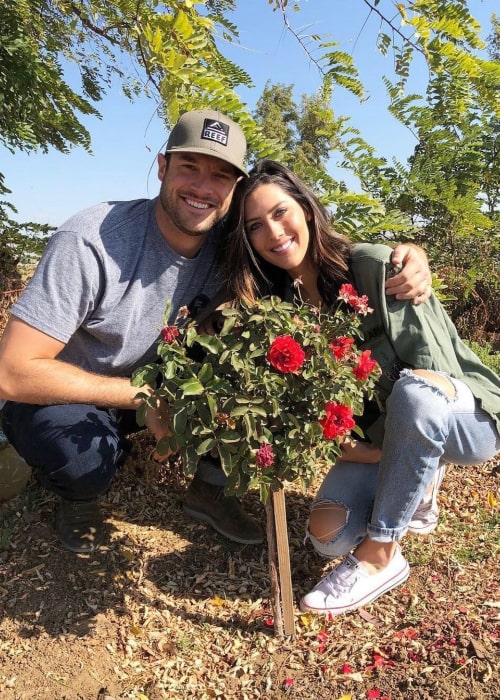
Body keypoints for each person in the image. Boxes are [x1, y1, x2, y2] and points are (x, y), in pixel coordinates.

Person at [0, 111, 431, 555]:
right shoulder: (92, 241)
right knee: (86, 461)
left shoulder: (231, 242)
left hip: (154, 385)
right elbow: (14, 372)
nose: (204, 188)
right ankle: (77, 493)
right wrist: (145, 399)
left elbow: (309, 248)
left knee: (252, 356)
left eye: (222, 176)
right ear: (163, 168)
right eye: (190, 167)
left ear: (234, 190)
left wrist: (403, 258)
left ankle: (210, 490)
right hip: (59, 388)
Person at [222, 159, 500, 616]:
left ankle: (382, 553)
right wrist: (351, 449)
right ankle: (412, 483)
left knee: (414, 393)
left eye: (280, 212)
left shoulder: (374, 267)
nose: (272, 232)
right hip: (385, 439)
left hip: (464, 418)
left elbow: (436, 373)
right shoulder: (280, 310)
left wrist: (402, 447)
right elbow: (307, 409)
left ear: (307, 210)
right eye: (255, 226)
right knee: (326, 537)